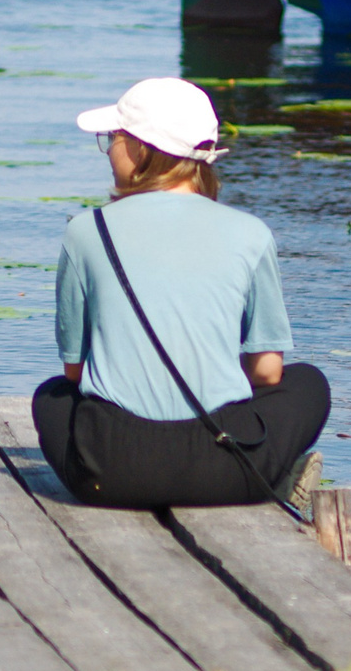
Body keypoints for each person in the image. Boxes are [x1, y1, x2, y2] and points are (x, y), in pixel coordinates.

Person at [31, 77, 330, 509]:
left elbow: (75, 375)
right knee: (309, 383)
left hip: (111, 474)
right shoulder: (252, 234)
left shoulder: (85, 231)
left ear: (139, 149)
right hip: (226, 472)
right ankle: (272, 475)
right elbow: (267, 373)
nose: (108, 149)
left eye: (112, 138)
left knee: (51, 396)